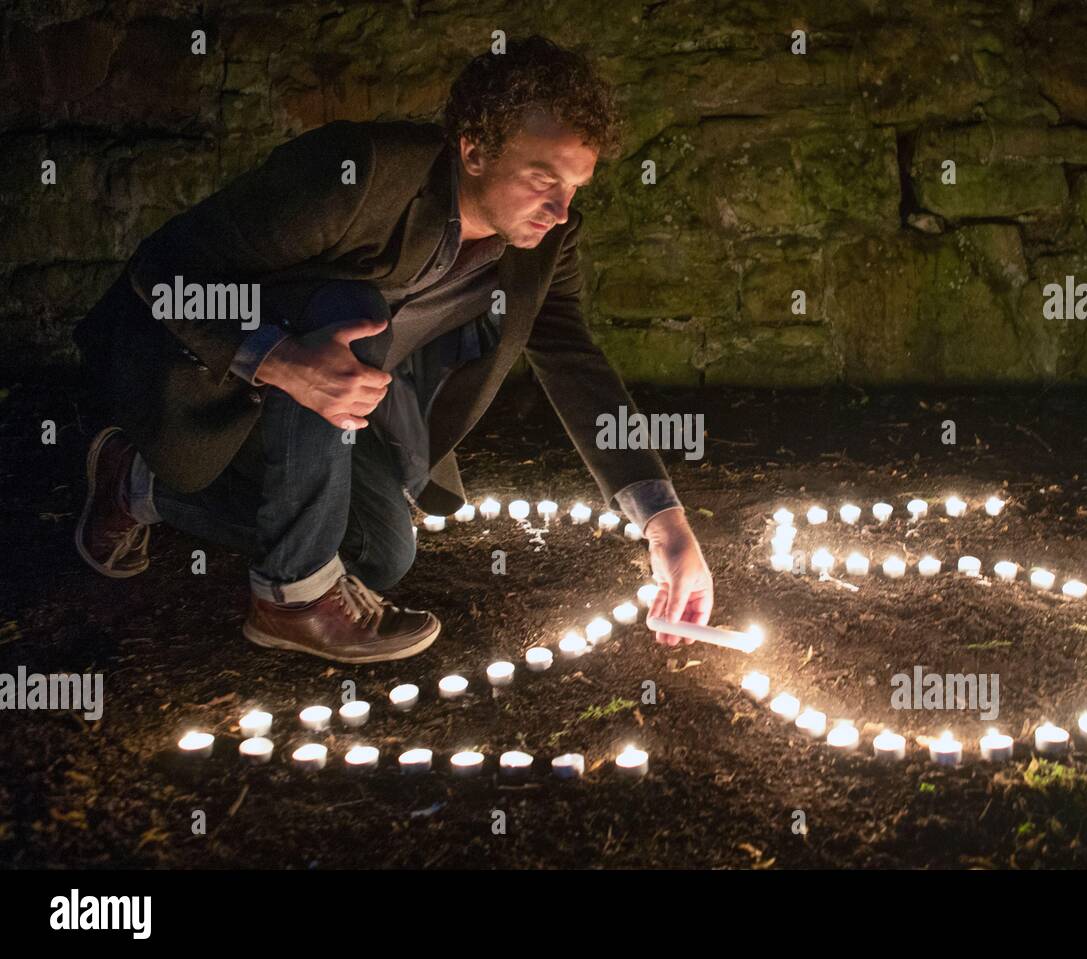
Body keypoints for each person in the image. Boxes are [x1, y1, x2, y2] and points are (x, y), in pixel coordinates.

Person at [72, 35, 713, 664]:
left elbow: (575, 363)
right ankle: (290, 598)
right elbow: (165, 268)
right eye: (542, 179)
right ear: (475, 150)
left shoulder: (548, 241)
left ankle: (137, 481)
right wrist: (279, 360)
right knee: (353, 310)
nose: (559, 209)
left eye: (575, 188)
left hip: (323, 416)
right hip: (199, 372)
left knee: (383, 555)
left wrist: (666, 523)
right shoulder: (361, 172)